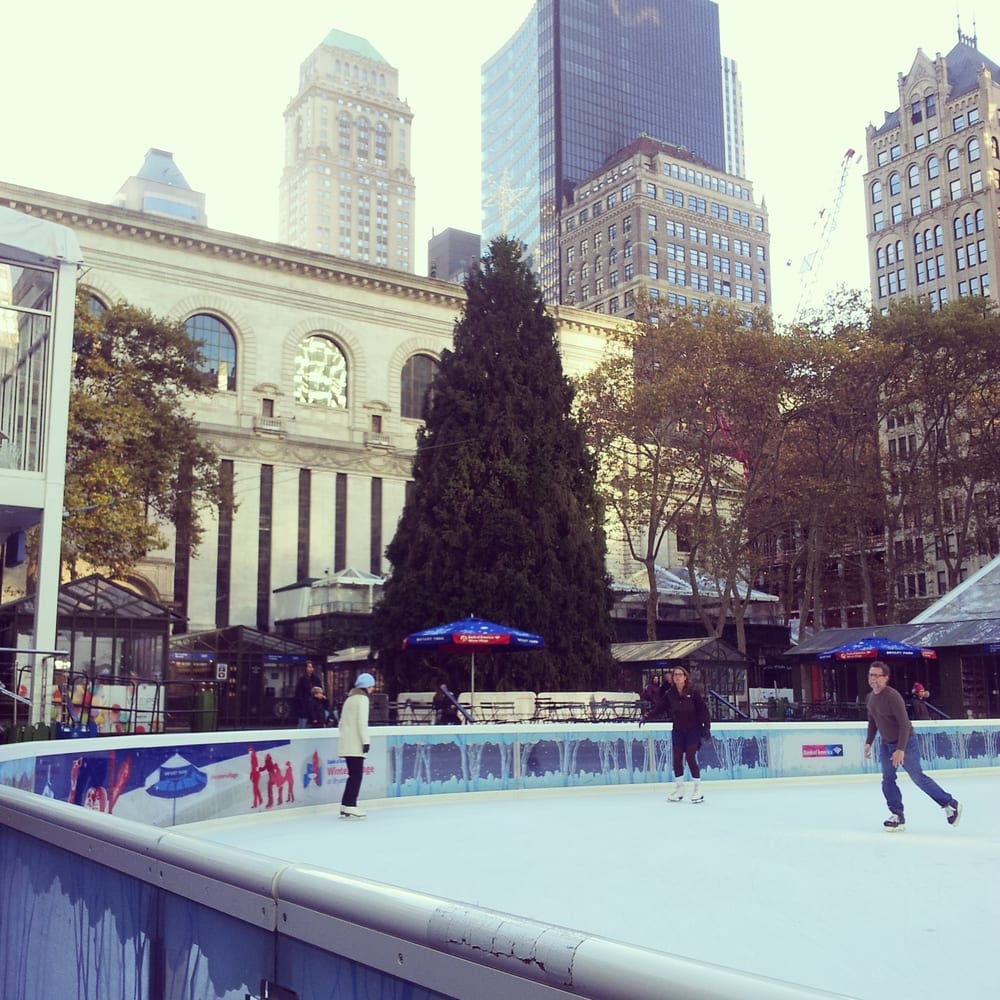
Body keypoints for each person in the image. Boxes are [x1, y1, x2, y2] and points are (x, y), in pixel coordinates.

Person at [864, 661, 960, 832]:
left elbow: (904, 724)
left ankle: (949, 803)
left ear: (885, 678)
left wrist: (900, 749)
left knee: (917, 778)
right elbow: (873, 721)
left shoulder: (892, 696)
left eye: (877, 675)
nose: (873, 679)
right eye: (871, 675)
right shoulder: (870, 698)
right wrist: (868, 742)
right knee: (887, 780)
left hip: (906, 742)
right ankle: (897, 815)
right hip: (886, 744)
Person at [662, 666, 711, 804]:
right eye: (675, 674)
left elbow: (703, 710)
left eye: (680, 674)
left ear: (685, 677)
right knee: (677, 759)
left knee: (690, 757)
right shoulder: (670, 694)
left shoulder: (693, 692)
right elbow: (661, 707)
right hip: (678, 730)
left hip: (693, 730)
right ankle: (679, 788)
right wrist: (647, 716)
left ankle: (697, 788)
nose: (677, 677)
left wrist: (706, 727)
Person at [338, 672, 375, 818]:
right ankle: (351, 805)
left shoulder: (350, 699)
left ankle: (345, 804)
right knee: (356, 776)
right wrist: (366, 741)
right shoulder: (362, 700)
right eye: (372, 686)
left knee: (352, 775)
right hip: (356, 743)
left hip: (346, 742)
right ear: (367, 687)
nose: (372, 689)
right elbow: (362, 722)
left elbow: (341, 723)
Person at [293, 661, 320, 728]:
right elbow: (298, 693)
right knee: (302, 723)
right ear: (305, 668)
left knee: (313, 724)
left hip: (314, 705)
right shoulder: (301, 680)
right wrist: (301, 703)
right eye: (309, 667)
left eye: (312, 667)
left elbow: (319, 690)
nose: (311, 669)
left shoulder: (316, 679)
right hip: (304, 705)